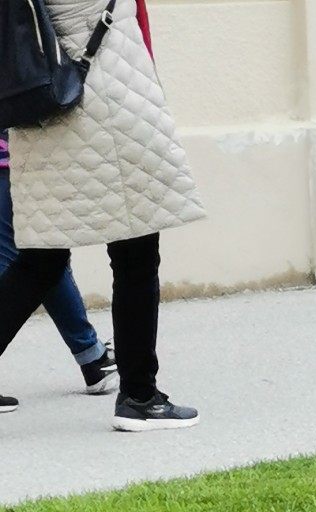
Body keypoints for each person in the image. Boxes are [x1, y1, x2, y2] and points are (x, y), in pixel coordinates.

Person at [0, 0, 202, 431]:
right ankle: (140, 396)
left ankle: (139, 393)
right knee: (136, 251)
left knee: (42, 258)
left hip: (49, 103)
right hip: (103, 97)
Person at [0, 131, 116, 409]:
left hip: (16, 157)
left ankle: (92, 357)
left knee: (41, 258)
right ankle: (91, 356)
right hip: (15, 156)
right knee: (36, 257)